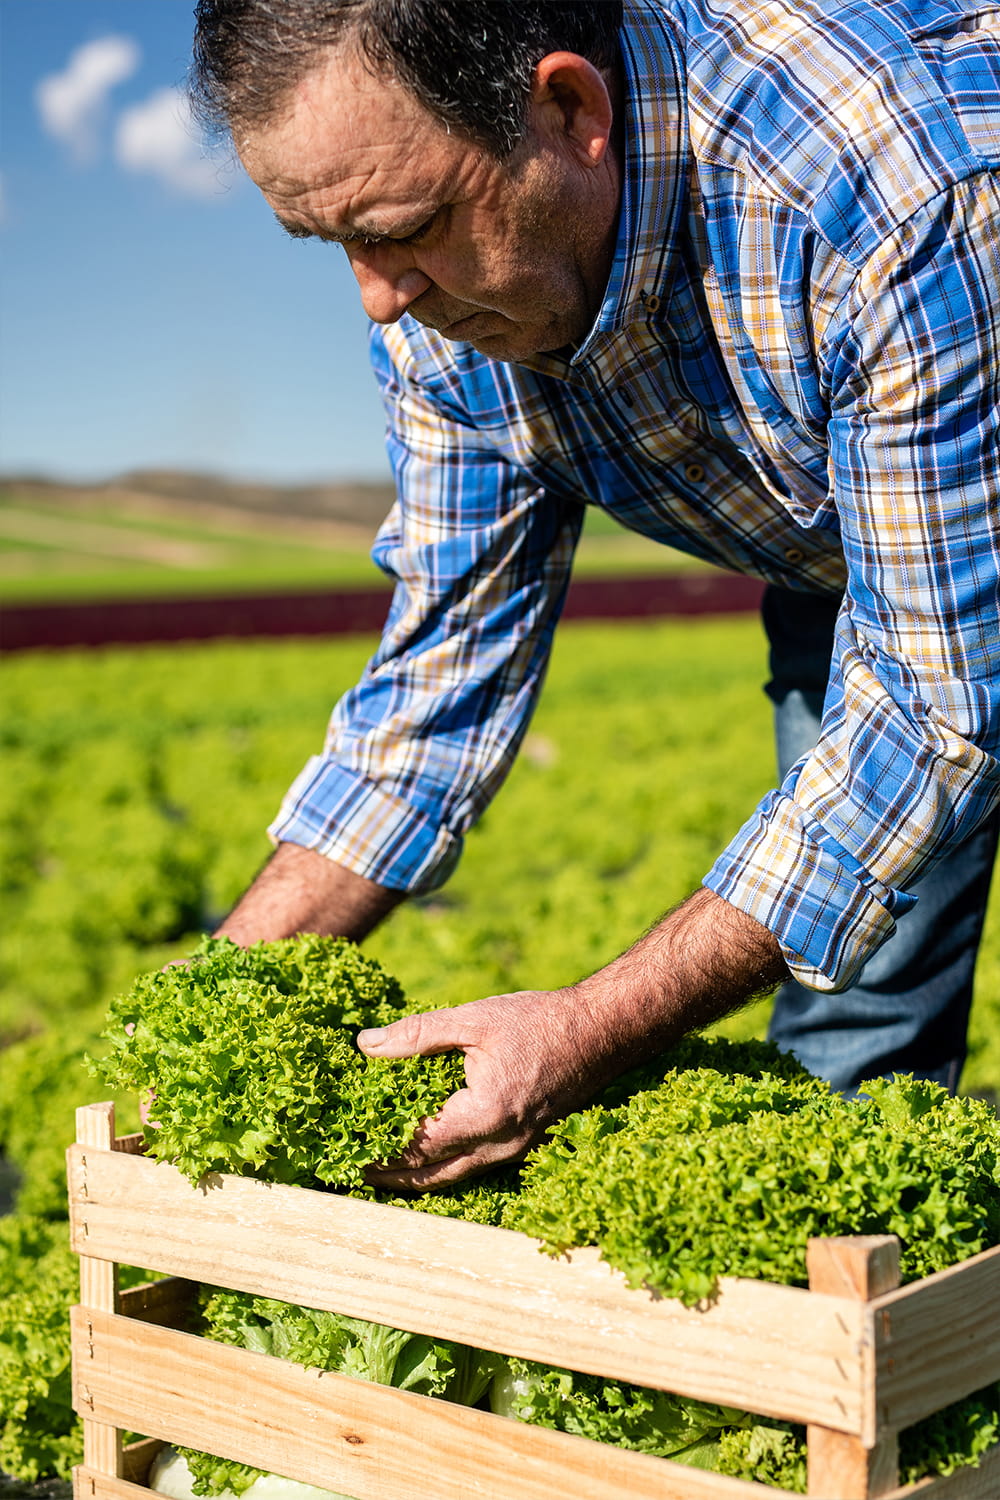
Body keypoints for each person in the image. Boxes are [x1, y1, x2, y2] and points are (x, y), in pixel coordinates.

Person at [191, 0, 1000, 1188]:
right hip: (864, 571)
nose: (377, 297)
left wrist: (588, 1024)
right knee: (850, 1035)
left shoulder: (882, 182)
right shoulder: (440, 320)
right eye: (337, 247)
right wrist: (214, 1001)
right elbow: (433, 703)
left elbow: (934, 706)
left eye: (407, 226)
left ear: (569, 111)